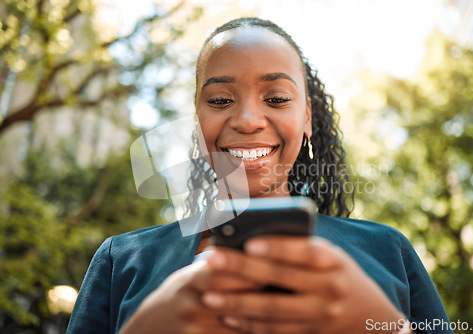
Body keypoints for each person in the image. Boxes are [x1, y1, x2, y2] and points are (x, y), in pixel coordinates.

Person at [67, 17, 452, 334]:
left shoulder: (389, 252)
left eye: (277, 98)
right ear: (198, 123)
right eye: (220, 100)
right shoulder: (121, 260)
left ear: (306, 119)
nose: (248, 120)